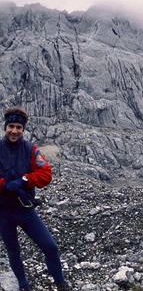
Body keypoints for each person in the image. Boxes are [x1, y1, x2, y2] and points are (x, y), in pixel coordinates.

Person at [0, 106, 70, 291]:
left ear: (23, 129)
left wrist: (25, 180)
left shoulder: (31, 149)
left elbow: (46, 174)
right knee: (13, 251)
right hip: (3, 212)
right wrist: (3, 185)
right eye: (11, 126)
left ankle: (60, 284)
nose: (14, 131)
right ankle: (23, 286)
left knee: (50, 247)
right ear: (5, 127)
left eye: (19, 127)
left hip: (25, 210)